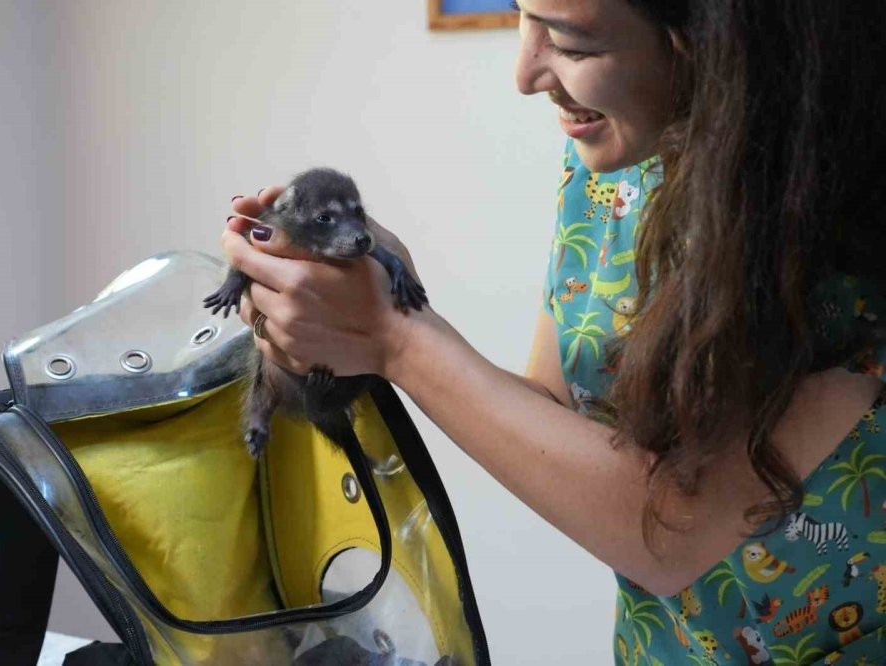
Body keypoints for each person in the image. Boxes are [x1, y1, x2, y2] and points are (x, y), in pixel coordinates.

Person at [221, 0, 886, 662]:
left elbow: (675, 528)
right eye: (521, 12)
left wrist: (396, 337)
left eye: (570, 44)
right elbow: (556, 412)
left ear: (711, 44)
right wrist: (373, 292)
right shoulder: (614, 154)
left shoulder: (851, 218)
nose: (525, 73)